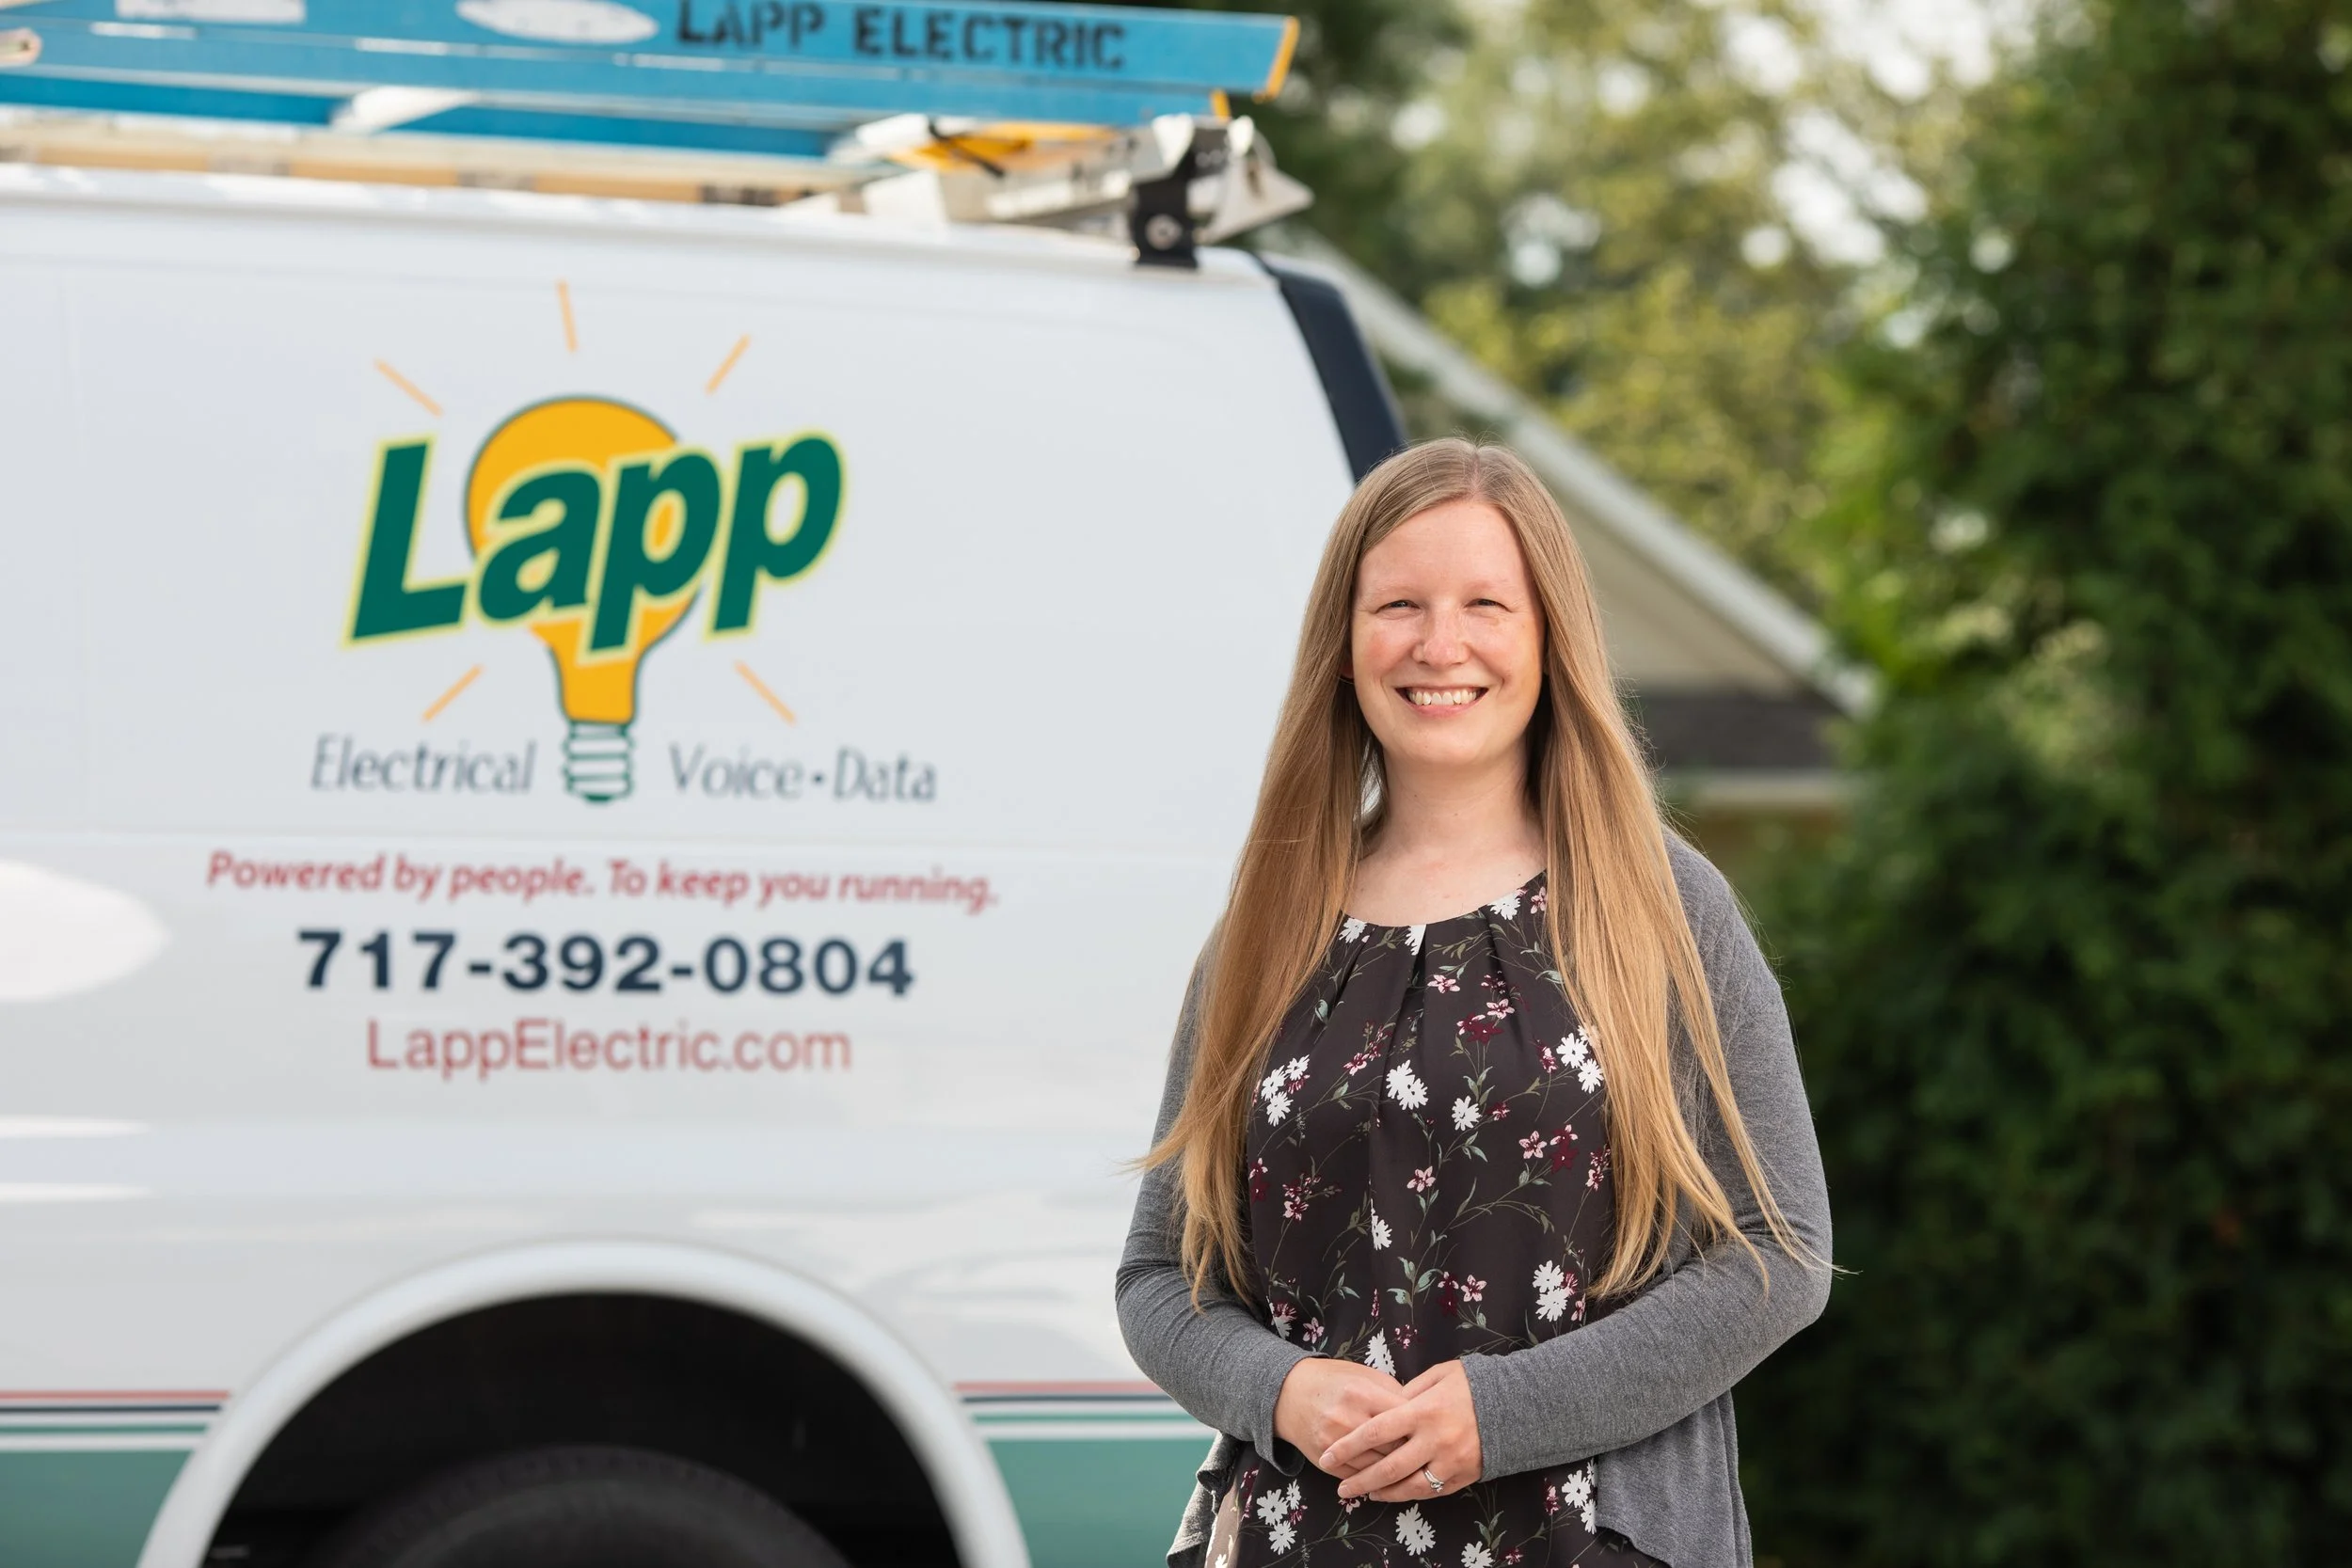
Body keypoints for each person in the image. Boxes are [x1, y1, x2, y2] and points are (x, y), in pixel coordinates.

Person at [1117, 438, 1832, 1568]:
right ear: (1345, 646)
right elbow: (1161, 1276)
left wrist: (1503, 1412)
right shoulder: (1269, 921)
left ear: (1549, 637)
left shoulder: (1657, 903)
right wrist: (1282, 1386)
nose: (1438, 644)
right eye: (1398, 602)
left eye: (1486, 603)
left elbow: (1777, 1252)